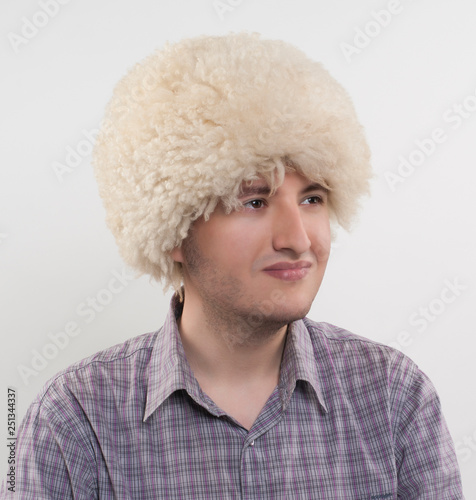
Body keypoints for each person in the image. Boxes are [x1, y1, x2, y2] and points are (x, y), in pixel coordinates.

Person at [1, 33, 464, 499]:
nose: (298, 239)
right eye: (255, 201)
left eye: (312, 198)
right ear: (174, 229)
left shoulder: (393, 398)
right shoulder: (75, 422)